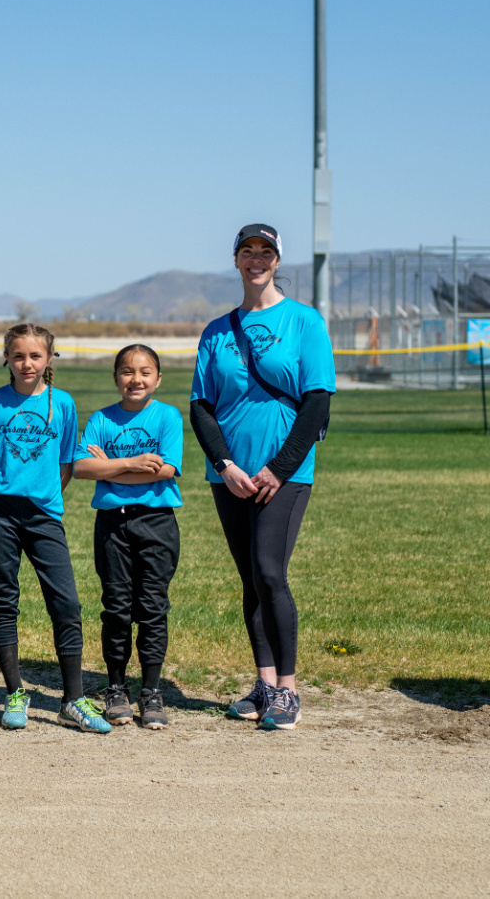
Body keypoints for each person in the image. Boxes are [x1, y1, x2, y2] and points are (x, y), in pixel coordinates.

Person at [191, 224, 334, 731]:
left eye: (266, 251)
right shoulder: (216, 330)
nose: (257, 259)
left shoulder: (304, 321)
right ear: (236, 260)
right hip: (231, 476)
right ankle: (265, 684)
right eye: (248, 250)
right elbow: (201, 407)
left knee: (270, 572)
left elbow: (317, 402)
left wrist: (279, 467)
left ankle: (289, 691)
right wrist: (225, 466)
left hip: (284, 474)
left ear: (277, 260)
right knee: (251, 578)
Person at [0, 323, 111, 734]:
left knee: (66, 604)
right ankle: (14, 691)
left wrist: (44, 494)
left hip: (44, 515)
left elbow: (67, 463)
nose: (27, 363)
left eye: (35, 356)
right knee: (4, 602)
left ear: (50, 358)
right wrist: (3, 492)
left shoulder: (63, 403)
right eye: (18, 356)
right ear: (6, 358)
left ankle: (73, 699)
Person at [72, 345, 184, 729]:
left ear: (158, 378)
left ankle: (150, 692)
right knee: (117, 607)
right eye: (127, 371)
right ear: (115, 377)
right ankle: (116, 688)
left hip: (156, 522)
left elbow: (165, 470)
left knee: (152, 607)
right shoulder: (102, 419)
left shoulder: (167, 416)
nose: (136, 379)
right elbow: (82, 467)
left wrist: (110, 468)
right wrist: (132, 463)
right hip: (112, 525)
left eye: (145, 372)